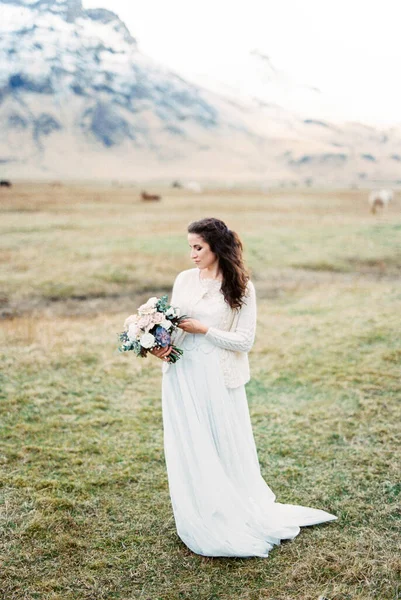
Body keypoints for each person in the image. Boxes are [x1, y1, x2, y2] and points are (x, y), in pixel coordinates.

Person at [151, 217, 336, 558]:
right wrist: (159, 344)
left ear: (215, 248)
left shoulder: (241, 287)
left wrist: (204, 330)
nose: (191, 254)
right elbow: (175, 324)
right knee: (189, 440)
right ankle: (200, 508)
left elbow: (244, 341)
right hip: (181, 371)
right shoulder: (184, 280)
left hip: (217, 376)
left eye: (198, 248)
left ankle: (229, 511)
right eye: (190, 247)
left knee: (221, 442)